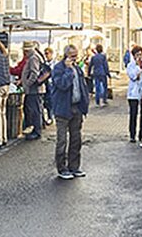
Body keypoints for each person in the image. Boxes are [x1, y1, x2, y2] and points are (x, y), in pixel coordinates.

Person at [50, 44, 90, 179]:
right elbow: (62, 85)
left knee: (76, 139)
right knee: (62, 140)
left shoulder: (77, 68)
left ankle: (74, 167)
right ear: (66, 55)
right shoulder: (58, 68)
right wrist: (68, 70)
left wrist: (84, 104)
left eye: (76, 56)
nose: (75, 58)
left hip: (77, 107)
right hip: (63, 108)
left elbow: (82, 86)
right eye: (72, 56)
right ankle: (62, 168)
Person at [20, 43, 50, 140]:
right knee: (36, 109)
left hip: (34, 89)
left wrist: (27, 83)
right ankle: (37, 128)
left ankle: (37, 131)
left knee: (35, 110)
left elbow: (34, 73)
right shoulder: (36, 56)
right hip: (36, 89)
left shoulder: (33, 58)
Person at [125, 46, 142, 142]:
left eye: (141, 54)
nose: (139, 57)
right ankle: (132, 135)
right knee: (133, 114)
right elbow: (134, 77)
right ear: (133, 56)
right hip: (133, 94)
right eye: (137, 55)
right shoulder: (130, 65)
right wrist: (138, 68)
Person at [43, 47, 56, 124]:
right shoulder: (44, 64)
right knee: (47, 101)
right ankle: (49, 116)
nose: (46, 55)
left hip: (52, 84)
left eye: (47, 53)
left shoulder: (55, 63)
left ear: (51, 53)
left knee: (51, 100)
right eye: (45, 54)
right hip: (46, 84)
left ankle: (51, 116)